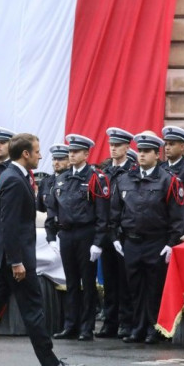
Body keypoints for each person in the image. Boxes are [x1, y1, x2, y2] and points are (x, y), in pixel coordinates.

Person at [0, 133, 85, 366]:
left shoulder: (15, 176)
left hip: (8, 257)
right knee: (33, 309)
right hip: (15, 259)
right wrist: (16, 261)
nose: (39, 155)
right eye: (36, 151)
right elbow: (10, 224)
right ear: (25, 154)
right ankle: (50, 364)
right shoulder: (14, 180)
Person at [110, 131, 184, 345]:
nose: (141, 155)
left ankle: (155, 328)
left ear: (156, 154)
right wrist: (114, 236)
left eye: (146, 151)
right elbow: (115, 210)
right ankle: (137, 327)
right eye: (140, 151)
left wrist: (172, 243)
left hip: (156, 241)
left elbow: (178, 216)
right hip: (131, 241)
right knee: (133, 287)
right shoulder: (125, 178)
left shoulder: (168, 180)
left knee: (154, 287)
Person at [46, 134, 109, 342]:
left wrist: (98, 242)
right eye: (70, 152)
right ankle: (70, 325)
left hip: (86, 233)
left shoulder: (95, 178)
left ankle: (86, 327)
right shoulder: (62, 178)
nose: (71, 155)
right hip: (66, 233)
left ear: (86, 154)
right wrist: (51, 235)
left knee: (87, 283)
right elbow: (52, 209)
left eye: (76, 152)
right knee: (71, 282)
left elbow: (102, 213)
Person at [97, 127, 135, 339]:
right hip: (106, 231)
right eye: (111, 145)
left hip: (123, 232)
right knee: (109, 280)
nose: (113, 149)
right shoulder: (104, 171)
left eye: (118, 145)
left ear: (127, 147)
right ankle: (109, 323)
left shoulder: (132, 170)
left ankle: (125, 322)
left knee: (125, 280)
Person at [37, 144, 70, 214]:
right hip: (49, 223)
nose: (56, 162)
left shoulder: (74, 181)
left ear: (69, 162)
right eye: (54, 159)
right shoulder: (45, 182)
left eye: (61, 159)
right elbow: (40, 209)